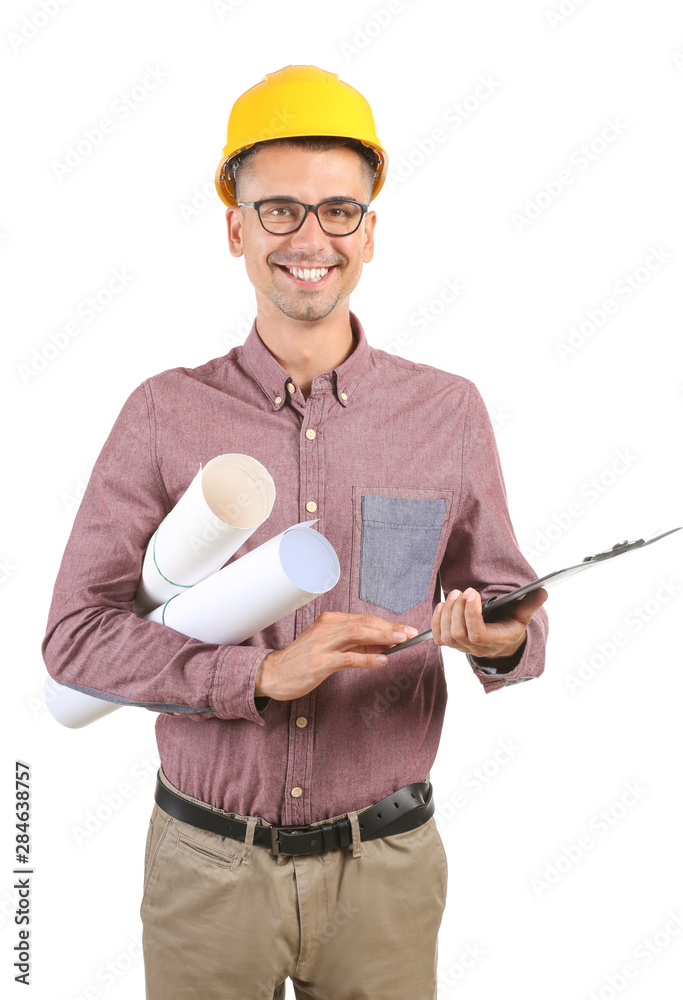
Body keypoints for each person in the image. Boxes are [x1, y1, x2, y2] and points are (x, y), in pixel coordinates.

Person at [42, 64, 549, 1000]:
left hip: (386, 873)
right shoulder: (162, 414)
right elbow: (75, 643)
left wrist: (503, 636)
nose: (310, 238)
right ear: (236, 227)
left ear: (369, 231)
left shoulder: (448, 413)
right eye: (279, 210)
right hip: (207, 870)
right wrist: (258, 675)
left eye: (338, 211)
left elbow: (517, 612)